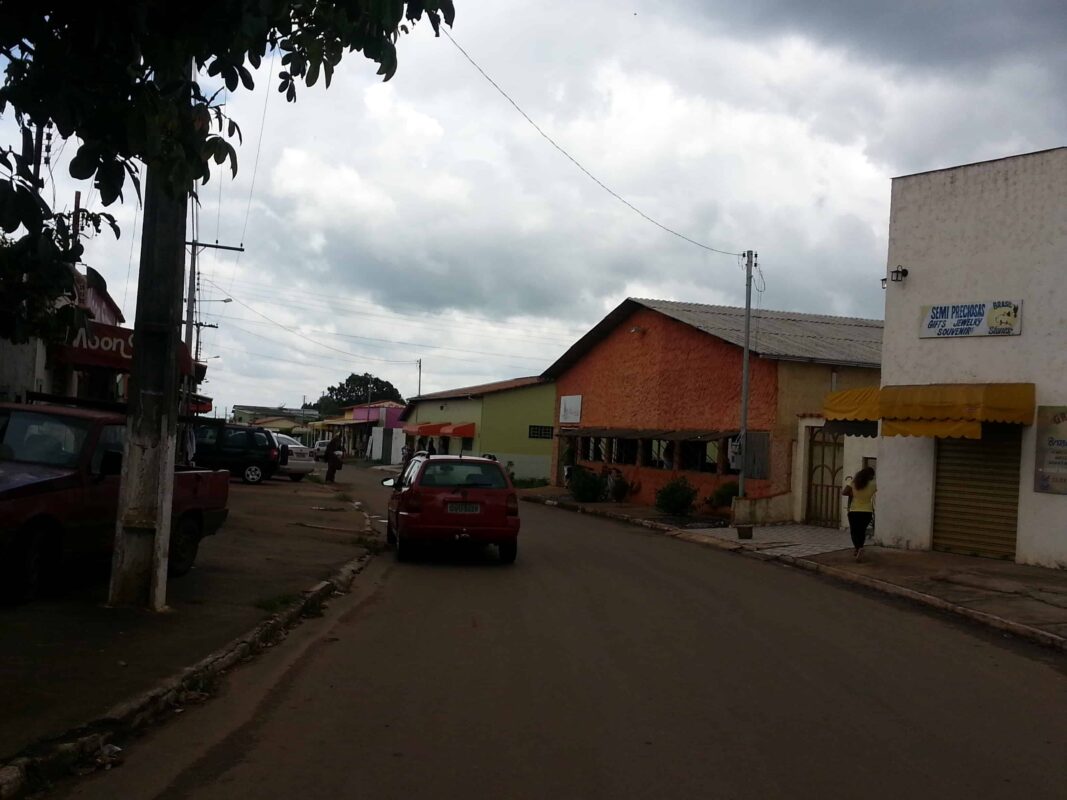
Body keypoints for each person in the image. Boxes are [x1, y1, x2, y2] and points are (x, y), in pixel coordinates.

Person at [842, 467, 876, 561]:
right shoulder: (873, 484)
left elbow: (844, 492)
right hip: (867, 511)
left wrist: (853, 494)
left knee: (854, 531)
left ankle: (858, 548)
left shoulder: (854, 482)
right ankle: (859, 549)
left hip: (854, 511)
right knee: (862, 531)